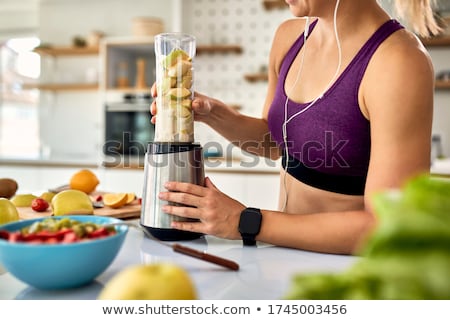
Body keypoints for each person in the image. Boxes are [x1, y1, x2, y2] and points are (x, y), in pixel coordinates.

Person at [150, 0, 439, 254]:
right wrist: (212, 113)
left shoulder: (398, 61)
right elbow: (276, 144)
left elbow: (388, 225)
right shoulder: (289, 37)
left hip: (351, 268)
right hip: (286, 254)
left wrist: (245, 221)